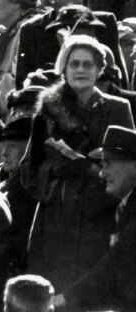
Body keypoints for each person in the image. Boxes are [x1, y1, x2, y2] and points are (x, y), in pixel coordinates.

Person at [23, 35, 135, 289]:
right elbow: (27, 169)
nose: (81, 70)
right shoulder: (48, 110)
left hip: (98, 218)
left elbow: (128, 169)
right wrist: (54, 169)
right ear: (63, 69)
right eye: (74, 64)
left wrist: (88, 167)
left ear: (100, 70)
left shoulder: (117, 108)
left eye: (88, 64)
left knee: (88, 290)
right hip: (54, 220)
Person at [57, 124, 136, 310]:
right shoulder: (127, 204)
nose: (101, 173)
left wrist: (64, 299)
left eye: (108, 163)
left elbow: (113, 264)